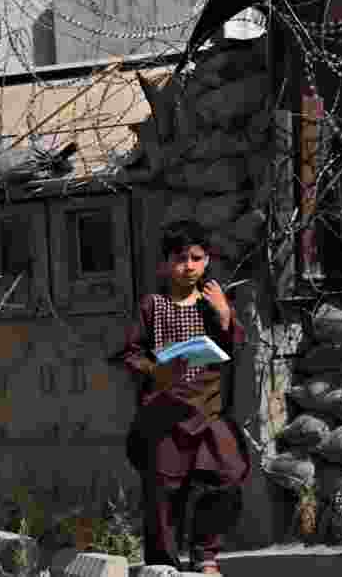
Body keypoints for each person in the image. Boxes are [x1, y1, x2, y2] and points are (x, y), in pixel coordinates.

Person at [109, 220, 250, 574]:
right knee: (163, 496)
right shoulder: (151, 306)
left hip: (209, 410)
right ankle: (163, 568)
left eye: (196, 258)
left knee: (230, 476)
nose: (188, 266)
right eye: (179, 258)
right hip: (164, 412)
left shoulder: (213, 303)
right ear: (164, 264)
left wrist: (224, 314)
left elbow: (237, 344)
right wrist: (155, 368)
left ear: (207, 261)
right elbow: (128, 353)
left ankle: (206, 554)